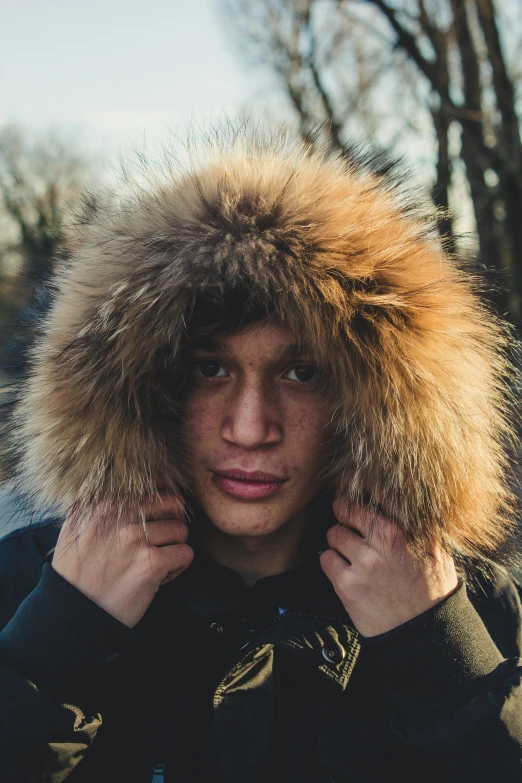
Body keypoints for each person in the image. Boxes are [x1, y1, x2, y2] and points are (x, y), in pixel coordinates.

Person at [0, 131, 521, 783]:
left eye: (301, 371)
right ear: (144, 385)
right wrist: (57, 641)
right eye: (210, 368)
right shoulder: (34, 580)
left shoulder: (465, 601)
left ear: (373, 398)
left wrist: (439, 655)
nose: (251, 428)